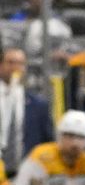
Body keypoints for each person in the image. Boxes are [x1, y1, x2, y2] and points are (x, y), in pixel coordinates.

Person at [14, 109, 85, 185]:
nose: (75, 143)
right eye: (70, 136)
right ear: (60, 136)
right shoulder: (41, 157)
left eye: (81, 137)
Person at [0, 48, 54, 177]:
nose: (15, 67)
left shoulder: (38, 105)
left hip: (25, 172)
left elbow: (47, 140)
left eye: (20, 63)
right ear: (1, 65)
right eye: (10, 62)